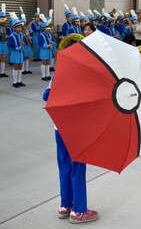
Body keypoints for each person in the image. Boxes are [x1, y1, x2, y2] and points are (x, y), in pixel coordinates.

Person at [42, 39, 99, 224]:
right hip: (77, 131)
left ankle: (65, 205)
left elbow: (46, 96)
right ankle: (79, 211)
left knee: (64, 167)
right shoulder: (83, 76)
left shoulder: (57, 75)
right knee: (78, 169)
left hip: (59, 129)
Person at [8, 12, 26, 88]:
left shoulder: (21, 34)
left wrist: (23, 45)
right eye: (18, 27)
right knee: (16, 67)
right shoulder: (11, 36)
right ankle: (15, 82)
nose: (20, 29)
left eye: (20, 27)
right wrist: (18, 48)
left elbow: (23, 42)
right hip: (15, 53)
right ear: (14, 28)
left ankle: (19, 80)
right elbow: (10, 45)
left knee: (20, 66)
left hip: (20, 53)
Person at [38, 14, 53, 81]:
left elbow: (50, 40)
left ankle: (48, 75)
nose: (48, 30)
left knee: (48, 62)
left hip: (48, 50)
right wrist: (47, 45)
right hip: (43, 50)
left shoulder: (49, 34)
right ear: (44, 29)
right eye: (47, 29)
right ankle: (43, 76)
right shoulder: (40, 35)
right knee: (44, 62)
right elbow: (40, 44)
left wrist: (52, 42)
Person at [20, 11, 33, 75]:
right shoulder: (20, 30)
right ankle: (22, 70)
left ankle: (26, 69)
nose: (24, 23)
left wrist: (30, 37)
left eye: (25, 21)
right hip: (23, 44)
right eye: (23, 21)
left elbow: (31, 34)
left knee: (27, 56)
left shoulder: (28, 29)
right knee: (23, 57)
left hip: (28, 44)